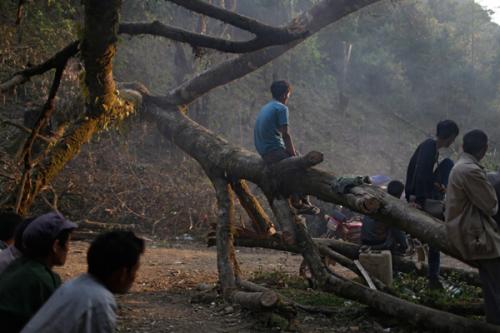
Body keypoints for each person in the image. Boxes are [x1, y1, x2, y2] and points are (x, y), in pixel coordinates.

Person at [22, 231, 145, 333]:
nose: (135, 276)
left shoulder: (76, 285)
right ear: (122, 273)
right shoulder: (100, 301)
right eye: (135, 270)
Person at [445, 130, 500, 325]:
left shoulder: (463, 166)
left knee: (491, 284)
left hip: (468, 229)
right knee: (496, 284)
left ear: (462, 146)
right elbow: (491, 205)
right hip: (474, 233)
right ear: (484, 149)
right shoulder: (470, 170)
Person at [0, 212, 77, 332]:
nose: (68, 248)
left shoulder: (18, 265)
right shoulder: (42, 279)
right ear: (56, 246)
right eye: (67, 242)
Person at [405, 120, 459, 289]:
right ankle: (433, 277)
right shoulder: (429, 146)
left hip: (425, 192)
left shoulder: (432, 148)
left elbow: (425, 175)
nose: (453, 142)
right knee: (435, 236)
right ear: (450, 136)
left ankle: (434, 277)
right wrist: (416, 200)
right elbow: (419, 173)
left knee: (448, 163)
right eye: (453, 137)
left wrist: (438, 186)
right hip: (419, 196)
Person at [254, 80, 319, 215]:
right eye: (288, 95)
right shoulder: (281, 108)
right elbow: (286, 135)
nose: (288, 98)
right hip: (273, 151)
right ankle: (299, 202)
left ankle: (301, 200)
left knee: (298, 158)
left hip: (263, 151)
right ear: (285, 94)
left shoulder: (267, 107)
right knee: (301, 164)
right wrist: (293, 155)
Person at [361, 180, 408, 254]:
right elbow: (397, 231)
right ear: (400, 194)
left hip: (364, 241)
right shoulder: (392, 208)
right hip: (379, 244)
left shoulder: (375, 200)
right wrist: (404, 245)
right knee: (395, 235)